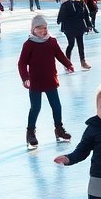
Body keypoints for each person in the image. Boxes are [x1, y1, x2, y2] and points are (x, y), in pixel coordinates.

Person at [20, 13, 74, 149]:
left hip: (50, 79)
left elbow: (59, 55)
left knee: (57, 106)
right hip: (35, 82)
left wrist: (68, 64)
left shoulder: (52, 41)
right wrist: (25, 78)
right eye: (39, 28)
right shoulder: (29, 44)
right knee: (35, 108)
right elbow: (21, 63)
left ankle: (59, 129)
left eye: (44, 28)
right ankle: (30, 133)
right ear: (33, 30)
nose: (42, 31)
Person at [57, 0, 92, 69]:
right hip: (69, 27)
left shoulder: (81, 2)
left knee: (80, 44)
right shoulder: (66, 3)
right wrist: (61, 19)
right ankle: (67, 63)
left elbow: (86, 14)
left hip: (79, 26)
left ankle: (83, 62)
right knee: (71, 44)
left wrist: (89, 25)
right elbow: (60, 17)